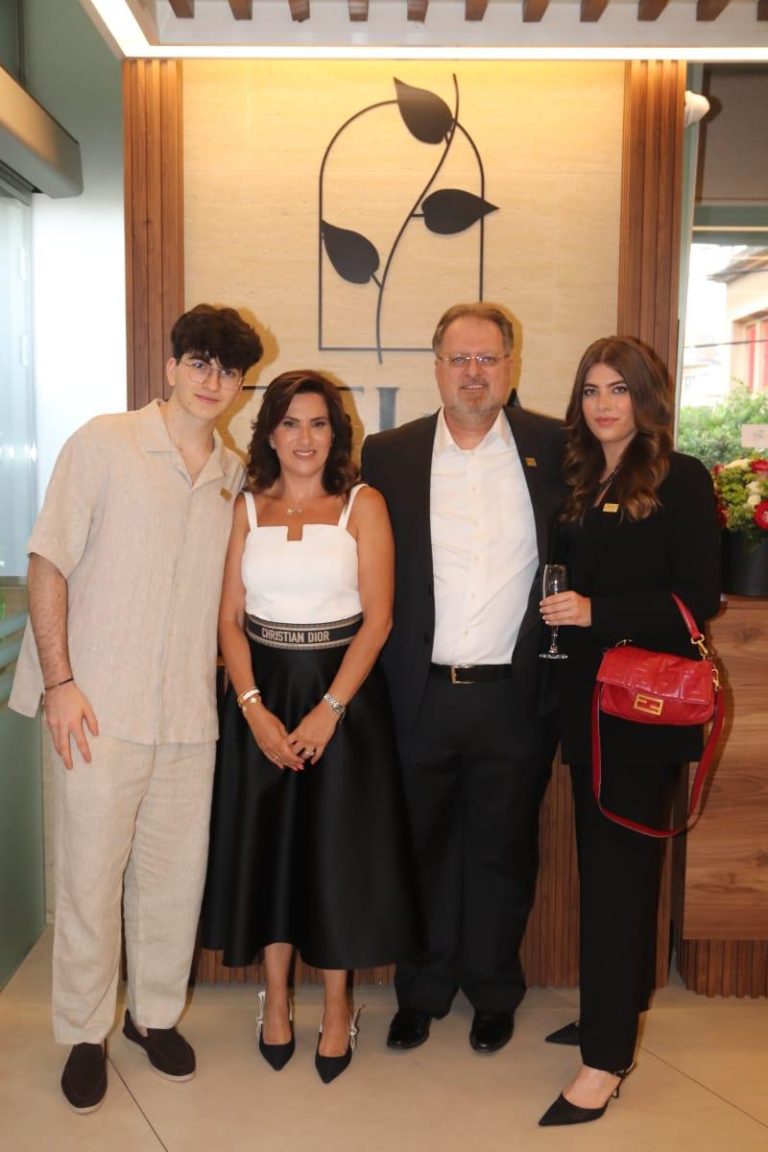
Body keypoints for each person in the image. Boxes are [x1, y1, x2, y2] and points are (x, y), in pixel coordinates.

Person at [9, 304, 264, 1113]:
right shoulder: (105, 443)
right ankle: (85, 1033)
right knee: (89, 882)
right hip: (96, 707)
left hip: (187, 716)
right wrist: (59, 683)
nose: (212, 381)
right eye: (199, 362)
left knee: (172, 881)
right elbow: (47, 560)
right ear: (172, 365)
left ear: (240, 384)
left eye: (228, 370)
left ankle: (151, 1017)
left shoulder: (230, 475)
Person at [201, 369, 421, 1084]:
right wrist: (251, 707)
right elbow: (229, 619)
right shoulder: (246, 507)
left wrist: (330, 710)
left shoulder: (363, 503)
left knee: (335, 854)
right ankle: (274, 1000)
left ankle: (335, 1005)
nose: (304, 438)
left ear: (336, 433)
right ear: (270, 432)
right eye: (290, 423)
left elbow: (379, 619)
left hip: (343, 700)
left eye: (318, 423)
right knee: (269, 849)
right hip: (261, 695)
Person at [360, 302, 565, 1054]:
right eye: (459, 359)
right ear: (437, 367)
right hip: (417, 693)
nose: (473, 373)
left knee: (503, 852)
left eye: (487, 358)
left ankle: (493, 990)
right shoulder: (389, 454)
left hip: (516, 694)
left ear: (510, 365)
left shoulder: (554, 447)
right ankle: (421, 991)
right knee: (419, 848)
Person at [537, 336, 721, 1127]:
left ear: (647, 397)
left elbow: (698, 598)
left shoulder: (681, 477)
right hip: (589, 706)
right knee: (608, 873)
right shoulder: (587, 478)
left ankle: (606, 1059)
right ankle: (610, 1010)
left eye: (618, 389)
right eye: (591, 390)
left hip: (641, 714)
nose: (603, 404)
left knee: (619, 880)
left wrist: (595, 611)